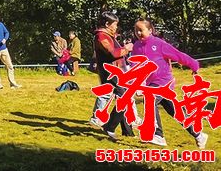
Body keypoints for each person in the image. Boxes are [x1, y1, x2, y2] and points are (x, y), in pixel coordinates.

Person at [132, 18, 208, 149]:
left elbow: (178, 55)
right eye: (136, 30)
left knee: (150, 99)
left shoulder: (159, 43)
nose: (138, 33)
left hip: (164, 81)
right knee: (177, 113)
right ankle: (199, 135)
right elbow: (135, 64)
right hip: (151, 83)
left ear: (150, 30)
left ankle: (158, 135)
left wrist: (194, 66)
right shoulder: (136, 46)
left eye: (141, 30)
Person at [89, 12, 137, 141]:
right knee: (125, 98)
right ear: (107, 24)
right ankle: (109, 126)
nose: (116, 27)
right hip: (110, 73)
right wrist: (126, 48)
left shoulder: (109, 35)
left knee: (126, 97)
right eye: (115, 24)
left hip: (117, 71)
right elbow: (113, 53)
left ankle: (128, 131)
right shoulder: (101, 36)